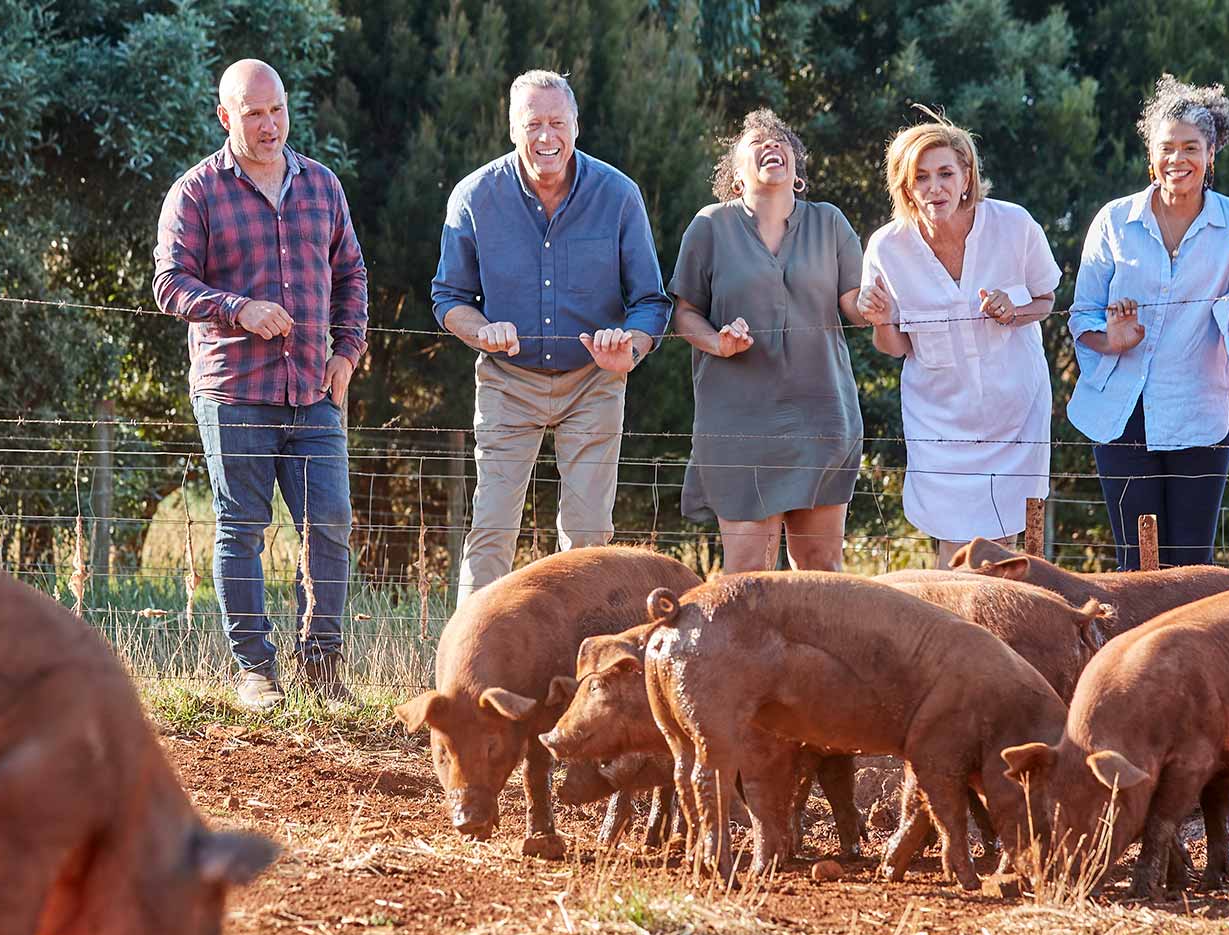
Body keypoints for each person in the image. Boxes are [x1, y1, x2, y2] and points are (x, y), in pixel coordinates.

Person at [153, 59, 369, 711]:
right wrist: (237, 308)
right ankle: (256, 673)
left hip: (313, 390)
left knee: (329, 524)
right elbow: (169, 284)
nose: (269, 124)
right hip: (233, 391)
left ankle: (322, 668)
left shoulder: (322, 186)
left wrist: (347, 353)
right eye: (253, 113)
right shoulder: (195, 192)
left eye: (277, 110)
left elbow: (352, 276)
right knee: (242, 529)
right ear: (226, 117)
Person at [432, 70, 670, 605]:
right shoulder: (475, 196)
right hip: (507, 380)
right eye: (533, 123)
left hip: (593, 380)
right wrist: (482, 331)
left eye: (557, 123)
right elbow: (448, 297)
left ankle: (584, 651)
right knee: (491, 529)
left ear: (576, 126)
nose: (546, 136)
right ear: (512, 128)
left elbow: (651, 302)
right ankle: (470, 650)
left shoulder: (618, 195)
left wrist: (629, 350)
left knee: (589, 537)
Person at [1066, 76, 1229, 569]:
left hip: (1199, 413)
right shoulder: (1114, 221)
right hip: (1122, 416)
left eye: (1191, 148)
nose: (1177, 159)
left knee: (1191, 565)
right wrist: (1112, 340)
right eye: (1166, 148)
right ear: (1150, 154)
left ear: (1211, 154)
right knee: (1136, 566)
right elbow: (1081, 315)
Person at [670, 109, 868, 573]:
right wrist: (718, 342)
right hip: (738, 426)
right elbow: (684, 313)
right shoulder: (710, 226)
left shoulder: (830, 222)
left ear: (798, 174)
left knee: (821, 567)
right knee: (748, 573)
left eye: (780, 141)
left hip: (823, 419)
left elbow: (856, 305)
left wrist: (877, 306)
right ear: (736, 177)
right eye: (756, 142)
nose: (771, 145)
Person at [856, 120, 1061, 567]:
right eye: (921, 178)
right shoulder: (886, 248)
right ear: (906, 188)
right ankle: (952, 615)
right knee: (953, 555)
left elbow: (1046, 300)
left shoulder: (1014, 224)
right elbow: (894, 346)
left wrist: (1014, 310)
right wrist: (882, 319)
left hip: (1014, 416)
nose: (935, 188)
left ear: (967, 176)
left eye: (945, 173)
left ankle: (1005, 615)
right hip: (939, 421)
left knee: (1003, 551)